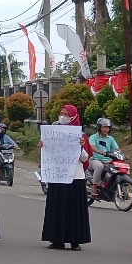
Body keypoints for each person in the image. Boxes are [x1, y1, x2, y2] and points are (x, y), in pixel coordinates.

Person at [39, 105, 91, 251]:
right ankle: (57, 240)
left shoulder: (80, 135)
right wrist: (43, 145)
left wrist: (80, 147)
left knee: (74, 210)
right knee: (57, 209)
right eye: (61, 113)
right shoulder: (53, 133)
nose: (62, 117)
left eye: (66, 114)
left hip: (75, 177)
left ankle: (75, 241)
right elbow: (49, 153)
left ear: (74, 116)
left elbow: (85, 158)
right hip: (58, 175)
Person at [88, 117, 120, 193]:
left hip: (107, 160)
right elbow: (92, 147)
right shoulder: (93, 137)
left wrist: (120, 154)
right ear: (99, 128)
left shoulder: (110, 139)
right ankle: (94, 186)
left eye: (108, 127)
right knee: (99, 166)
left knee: (116, 167)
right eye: (104, 127)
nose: (106, 129)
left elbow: (116, 149)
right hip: (94, 160)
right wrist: (99, 151)